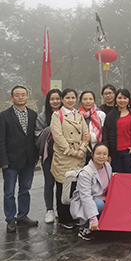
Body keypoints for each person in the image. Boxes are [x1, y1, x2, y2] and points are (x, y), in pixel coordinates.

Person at [0, 86, 39, 233]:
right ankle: (10, 219)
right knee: (9, 192)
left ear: (27, 96)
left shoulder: (33, 114)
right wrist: (3, 160)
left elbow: (34, 137)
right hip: (11, 161)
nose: (20, 97)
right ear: (12, 98)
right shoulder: (3, 116)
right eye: (17, 95)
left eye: (23, 95)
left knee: (25, 190)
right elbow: (0, 140)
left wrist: (36, 156)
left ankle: (22, 216)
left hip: (28, 160)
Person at [50, 88, 90, 229]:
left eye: (73, 97)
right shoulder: (57, 115)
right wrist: (72, 151)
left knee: (76, 187)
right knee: (63, 186)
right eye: (67, 98)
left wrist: (82, 149)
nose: (70, 100)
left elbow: (86, 134)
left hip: (79, 155)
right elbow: (58, 137)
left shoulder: (79, 115)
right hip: (65, 156)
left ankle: (75, 215)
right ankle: (64, 218)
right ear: (62, 99)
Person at [70, 143, 112, 241]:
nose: (101, 156)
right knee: (99, 204)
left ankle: (101, 222)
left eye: (104, 154)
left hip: (102, 198)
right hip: (87, 202)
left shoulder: (107, 166)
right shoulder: (85, 173)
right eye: (98, 153)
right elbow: (86, 198)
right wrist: (93, 218)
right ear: (92, 154)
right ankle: (84, 227)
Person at [35, 88, 62, 224]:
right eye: (52, 99)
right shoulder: (42, 117)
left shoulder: (66, 114)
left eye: (58, 98)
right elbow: (37, 135)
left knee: (62, 183)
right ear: (48, 101)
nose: (55, 101)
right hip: (48, 155)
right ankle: (49, 210)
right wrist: (52, 129)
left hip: (64, 155)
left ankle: (61, 209)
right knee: (49, 183)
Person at [102, 88, 131, 173]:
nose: (122, 100)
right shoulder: (110, 116)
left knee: (130, 177)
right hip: (115, 153)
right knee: (117, 177)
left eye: (125, 98)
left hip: (129, 153)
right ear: (116, 99)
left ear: (129, 100)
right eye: (119, 98)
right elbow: (105, 134)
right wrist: (107, 153)